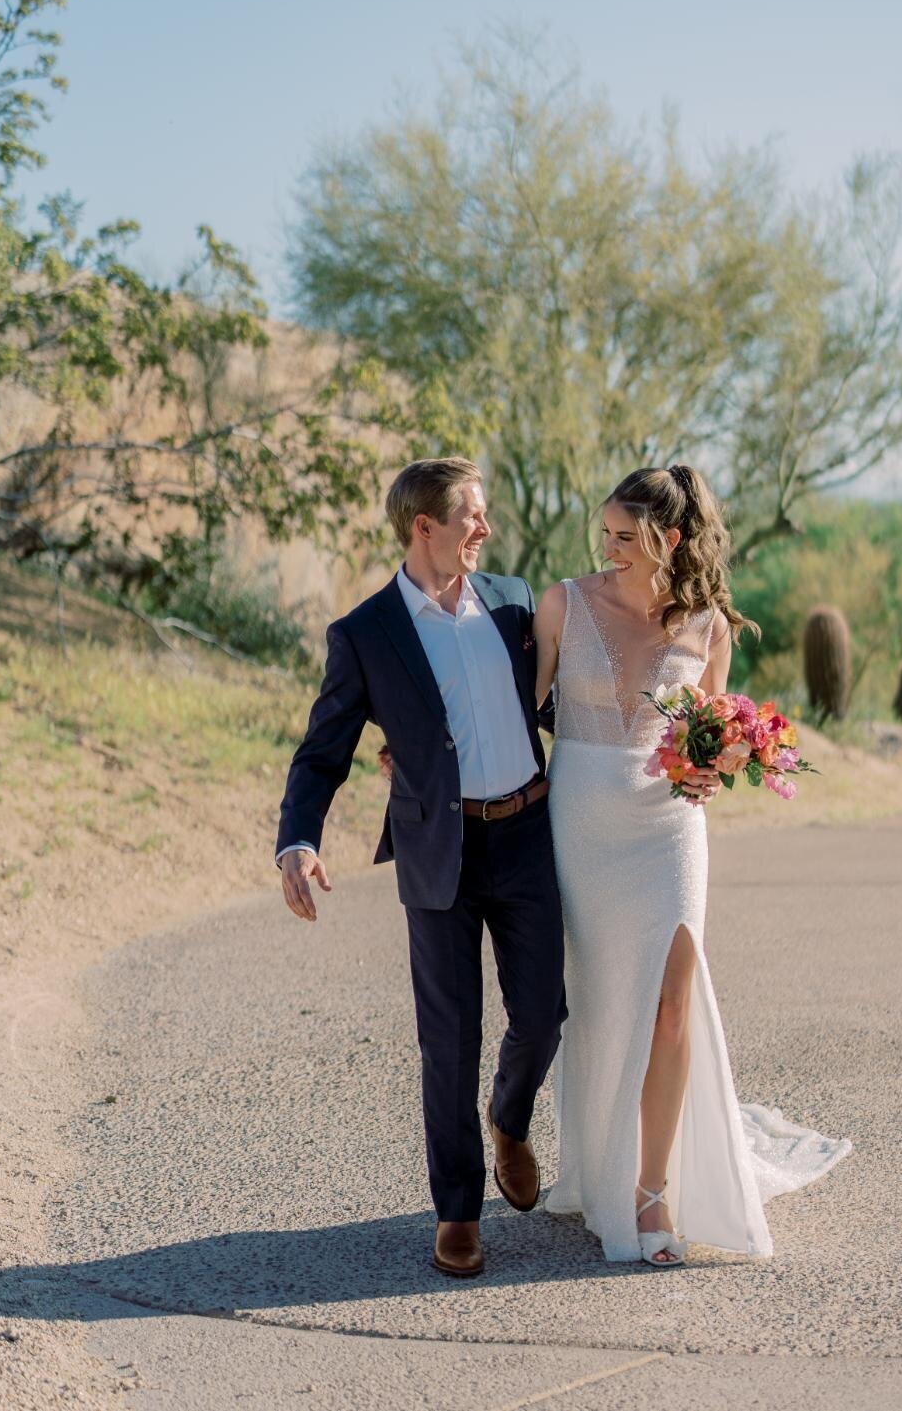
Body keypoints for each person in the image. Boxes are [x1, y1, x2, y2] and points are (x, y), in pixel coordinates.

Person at [534, 464, 850, 1265]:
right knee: (604, 1002)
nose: (606, 548)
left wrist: (717, 761)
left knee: (672, 1006)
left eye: (623, 536)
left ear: (668, 540)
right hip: (582, 823)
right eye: (602, 532)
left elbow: (705, 732)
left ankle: (651, 1192)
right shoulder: (563, 603)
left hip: (669, 828)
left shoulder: (709, 627)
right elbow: (518, 716)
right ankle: (596, 1167)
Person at [274, 457, 566, 1279]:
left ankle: (509, 1121)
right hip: (441, 849)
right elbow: (321, 753)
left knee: (544, 1014)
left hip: (527, 832)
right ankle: (459, 1209)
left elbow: (554, 703)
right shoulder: (366, 634)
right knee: (449, 1037)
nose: (486, 528)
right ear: (423, 527)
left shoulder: (512, 602)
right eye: (470, 515)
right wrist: (298, 838)